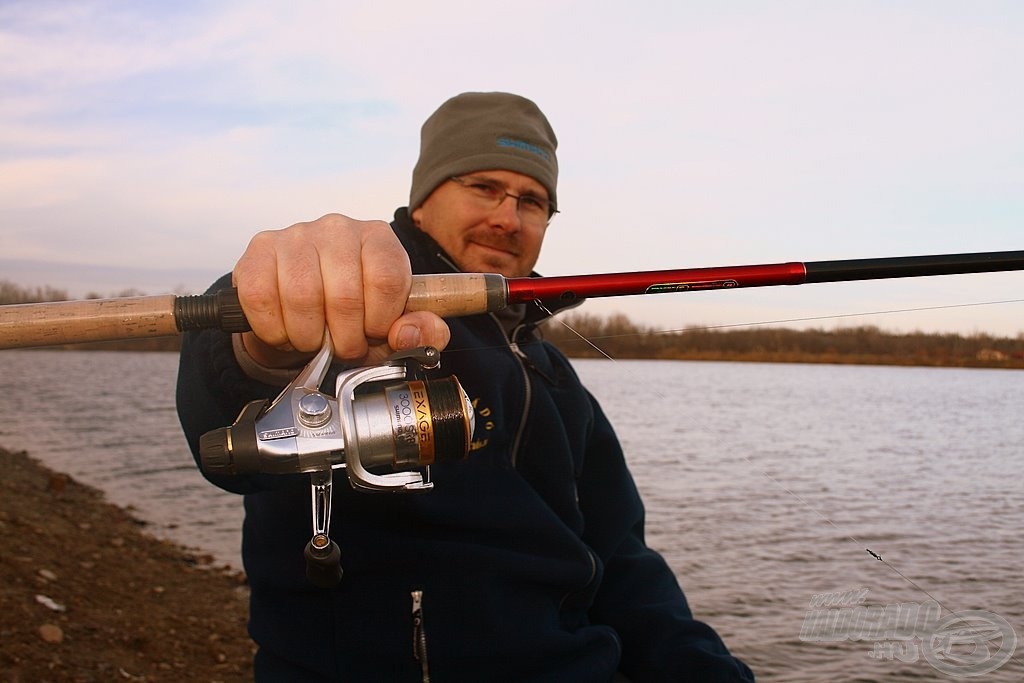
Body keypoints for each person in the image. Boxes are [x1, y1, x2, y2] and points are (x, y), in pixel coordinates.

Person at [176, 92, 755, 682]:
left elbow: (625, 565)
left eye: (532, 201)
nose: (508, 218)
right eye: (484, 187)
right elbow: (222, 425)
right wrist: (271, 333)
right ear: (423, 202)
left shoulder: (559, 381)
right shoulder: (357, 313)